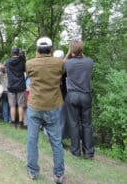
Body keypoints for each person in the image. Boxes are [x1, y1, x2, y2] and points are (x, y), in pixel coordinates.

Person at [26, 37, 64, 184]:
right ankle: (59, 174)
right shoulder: (59, 63)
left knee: (31, 139)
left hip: (35, 105)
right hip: (53, 105)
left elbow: (30, 76)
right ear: (50, 49)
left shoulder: (30, 63)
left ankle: (33, 171)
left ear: (37, 49)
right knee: (56, 140)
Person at [64, 40, 94, 159]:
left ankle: (75, 151)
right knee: (87, 124)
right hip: (86, 95)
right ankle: (89, 153)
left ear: (71, 51)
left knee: (73, 123)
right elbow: (85, 59)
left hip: (72, 96)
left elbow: (62, 64)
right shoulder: (89, 62)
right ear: (82, 50)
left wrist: (68, 53)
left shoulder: (68, 63)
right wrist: (80, 51)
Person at [4, 46, 26, 128]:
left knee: (12, 105)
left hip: (11, 85)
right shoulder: (22, 61)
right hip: (20, 85)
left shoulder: (7, 62)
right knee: (21, 105)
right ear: (18, 52)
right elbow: (24, 70)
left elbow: (4, 68)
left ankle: (13, 123)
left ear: (11, 53)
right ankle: (21, 123)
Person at [53, 50, 70, 141]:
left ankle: (57, 136)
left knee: (58, 116)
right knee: (60, 116)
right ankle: (58, 137)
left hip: (58, 93)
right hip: (59, 94)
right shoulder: (58, 67)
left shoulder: (57, 66)